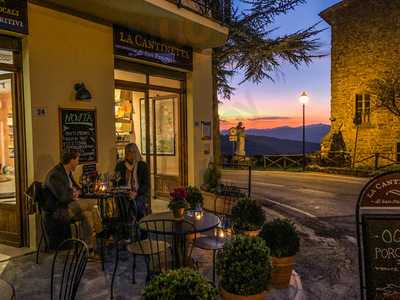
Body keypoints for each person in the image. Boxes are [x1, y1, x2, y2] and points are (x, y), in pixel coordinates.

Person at [44, 149, 97, 250]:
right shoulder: (55, 174)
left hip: (68, 206)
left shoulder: (67, 173)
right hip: (58, 210)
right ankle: (101, 234)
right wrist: (74, 194)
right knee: (93, 203)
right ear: (71, 160)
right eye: (77, 160)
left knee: (88, 214)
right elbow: (63, 197)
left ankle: (88, 244)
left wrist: (75, 193)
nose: (78, 163)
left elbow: (78, 190)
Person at [115, 143, 149, 220]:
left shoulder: (142, 165)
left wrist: (136, 193)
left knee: (137, 206)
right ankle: (127, 227)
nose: (131, 154)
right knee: (123, 207)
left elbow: (146, 185)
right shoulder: (120, 165)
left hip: (138, 192)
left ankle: (138, 225)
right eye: (129, 152)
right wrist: (124, 191)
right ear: (126, 153)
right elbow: (117, 182)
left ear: (137, 152)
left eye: (133, 151)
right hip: (124, 192)